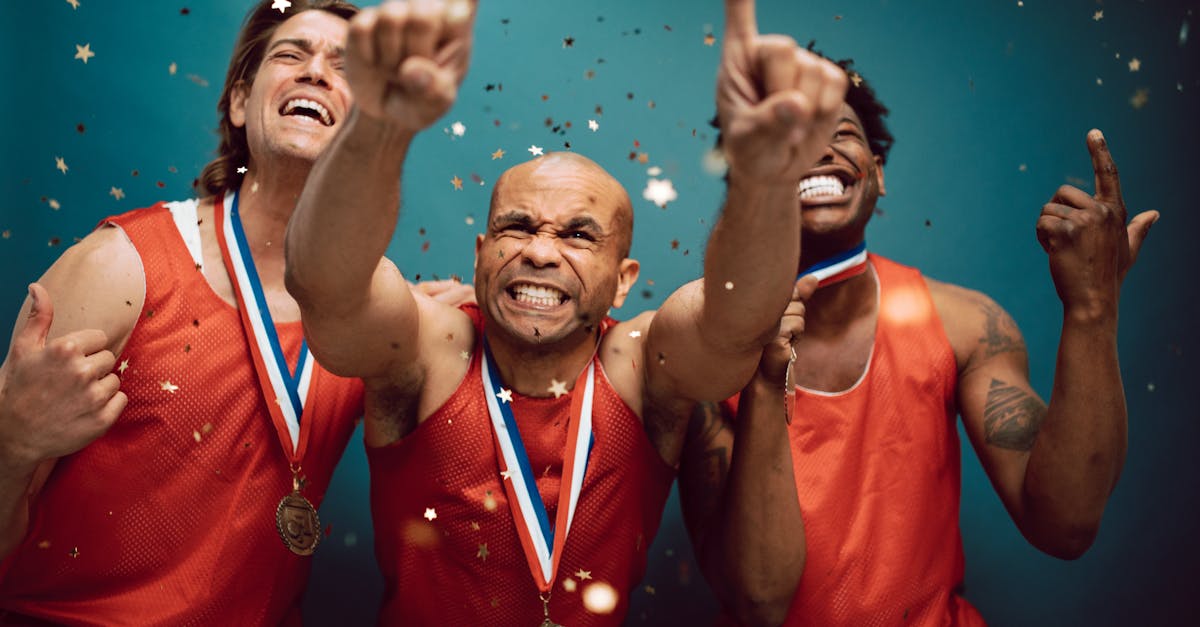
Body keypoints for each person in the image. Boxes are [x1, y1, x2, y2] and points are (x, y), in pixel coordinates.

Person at [282, 0, 849, 624]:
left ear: (624, 280)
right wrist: (378, 127)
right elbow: (327, 287)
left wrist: (762, 180)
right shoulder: (429, 348)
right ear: (480, 254)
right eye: (516, 227)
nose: (539, 253)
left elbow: (737, 319)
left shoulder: (641, 365)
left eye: (579, 236)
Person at [677, 27, 1160, 627]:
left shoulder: (965, 325)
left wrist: (1093, 309)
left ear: (878, 174)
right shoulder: (696, 351)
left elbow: (1064, 526)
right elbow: (757, 600)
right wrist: (760, 369)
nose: (816, 152)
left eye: (841, 134)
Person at [0, 2, 380, 624]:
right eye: (291, 54)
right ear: (238, 102)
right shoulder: (120, 268)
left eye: (345, 70)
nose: (316, 72)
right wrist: (10, 444)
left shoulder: (369, 322)